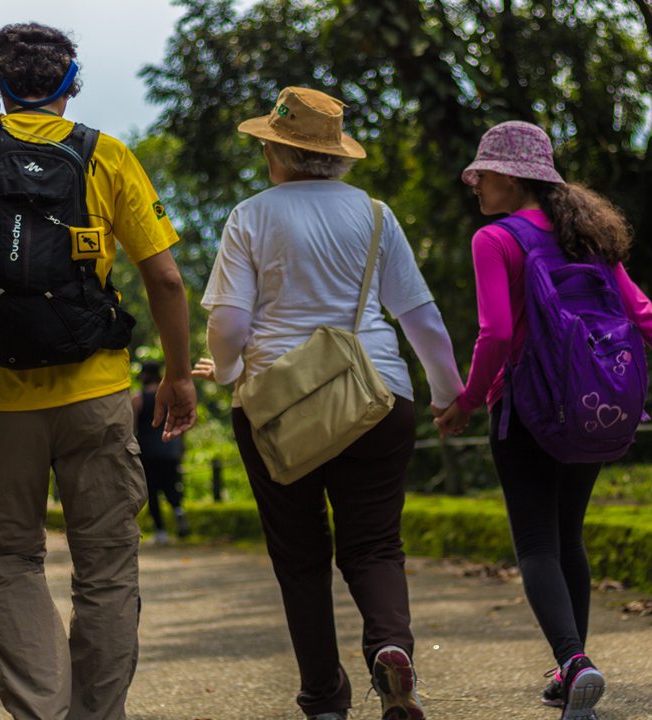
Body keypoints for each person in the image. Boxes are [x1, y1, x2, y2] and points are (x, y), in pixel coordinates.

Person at [0, 23, 197, 720]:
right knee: (105, 570)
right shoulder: (108, 154)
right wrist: (177, 376)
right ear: (71, 83)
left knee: (11, 561)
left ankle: (40, 712)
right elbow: (164, 280)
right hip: (98, 393)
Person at [434, 121, 652, 720]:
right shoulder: (583, 235)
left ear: (511, 177)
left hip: (525, 408)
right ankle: (571, 673)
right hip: (594, 404)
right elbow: (641, 312)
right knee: (569, 536)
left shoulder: (494, 240)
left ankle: (574, 662)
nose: (477, 188)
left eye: (483, 176)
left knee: (537, 545)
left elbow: (494, 333)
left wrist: (466, 401)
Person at [193, 86, 463, 720]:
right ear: (336, 155)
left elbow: (229, 327)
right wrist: (449, 394)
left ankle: (323, 700)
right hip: (377, 394)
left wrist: (227, 371)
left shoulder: (251, 216)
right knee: (375, 545)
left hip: (278, 406)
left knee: (300, 556)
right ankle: (392, 649)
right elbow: (420, 319)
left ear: (275, 152)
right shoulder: (375, 215)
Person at [132, 361, 191, 543]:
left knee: (152, 491)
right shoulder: (172, 396)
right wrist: (180, 448)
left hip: (148, 451)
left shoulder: (137, 398)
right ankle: (178, 510)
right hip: (170, 449)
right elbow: (182, 424)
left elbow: (132, 428)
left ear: (144, 375)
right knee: (171, 486)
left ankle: (160, 532)